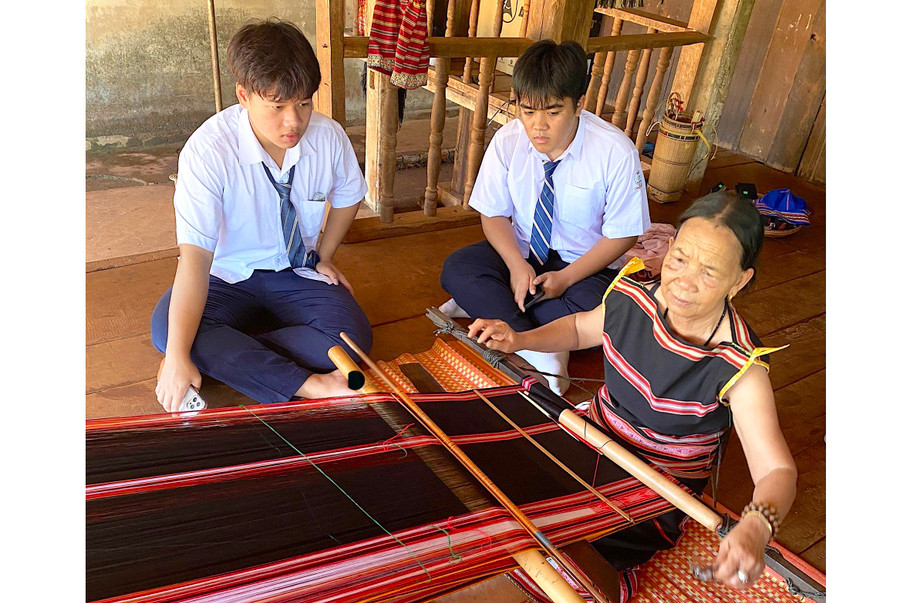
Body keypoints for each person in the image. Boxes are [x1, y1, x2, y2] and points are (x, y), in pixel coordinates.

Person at [468, 191, 797, 602]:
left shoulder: (738, 365)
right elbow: (579, 329)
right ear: (668, 248)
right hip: (592, 433)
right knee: (490, 486)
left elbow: (777, 472)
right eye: (679, 259)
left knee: (571, 565)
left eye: (710, 272)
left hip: (657, 485)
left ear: (740, 280)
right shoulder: (632, 293)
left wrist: (757, 524)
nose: (684, 282)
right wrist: (519, 338)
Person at [151, 19, 372, 411]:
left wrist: (324, 255)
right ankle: (312, 384)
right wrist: (177, 350)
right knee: (166, 329)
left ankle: (229, 351)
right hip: (225, 276)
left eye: (304, 103)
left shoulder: (328, 137)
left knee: (350, 340)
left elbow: (349, 196)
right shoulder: (208, 152)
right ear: (244, 95)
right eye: (277, 106)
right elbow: (196, 260)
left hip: (294, 270)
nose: (294, 122)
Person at [439, 39, 650, 395]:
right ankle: (544, 344)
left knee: (604, 313)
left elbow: (623, 234)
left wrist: (566, 278)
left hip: (583, 266)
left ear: (578, 104)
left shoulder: (615, 151)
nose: (538, 126)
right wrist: (517, 266)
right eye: (528, 111)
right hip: (522, 252)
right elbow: (493, 215)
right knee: (458, 268)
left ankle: (494, 310)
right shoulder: (508, 141)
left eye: (553, 112)